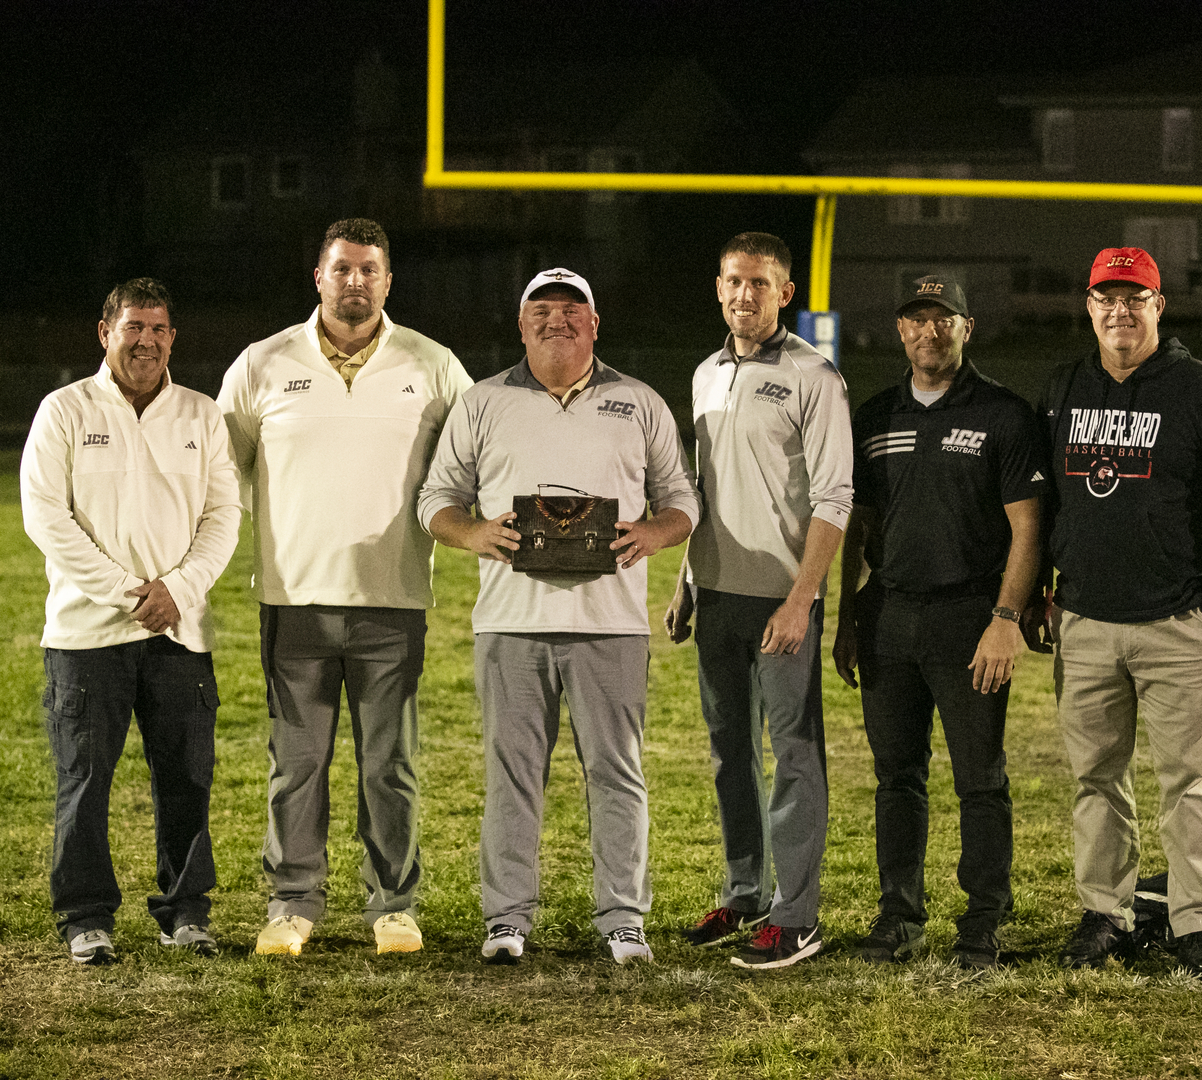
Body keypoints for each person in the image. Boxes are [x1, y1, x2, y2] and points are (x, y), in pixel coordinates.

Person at [418, 268, 699, 966]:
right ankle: (506, 918)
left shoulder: (638, 402)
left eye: (572, 311)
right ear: (521, 325)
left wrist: (656, 534)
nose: (557, 321)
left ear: (595, 324)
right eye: (540, 311)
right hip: (511, 621)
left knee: (617, 772)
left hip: (611, 623)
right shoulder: (482, 403)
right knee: (513, 774)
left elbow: (683, 499)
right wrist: (474, 532)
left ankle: (624, 919)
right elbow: (435, 500)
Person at [217, 218, 473, 957]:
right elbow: (221, 467)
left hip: (393, 599)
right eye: (341, 269)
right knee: (296, 767)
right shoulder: (263, 364)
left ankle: (392, 904)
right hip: (293, 600)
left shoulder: (431, 363)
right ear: (318, 277)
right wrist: (256, 531)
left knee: (388, 766)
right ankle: (292, 903)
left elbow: (474, 454)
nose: (354, 282)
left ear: (388, 281)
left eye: (369, 270)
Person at [1029, 247, 1202, 982]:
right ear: (1089, 305)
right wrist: (1042, 588)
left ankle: (1197, 922)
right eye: (1107, 297)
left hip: (1178, 624)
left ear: (1160, 306)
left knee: (1189, 781)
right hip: (1087, 621)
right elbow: (1040, 503)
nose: (1120, 311)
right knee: (1096, 777)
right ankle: (1107, 912)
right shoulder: (1065, 387)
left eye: (1136, 298)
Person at [21, 277, 241, 964]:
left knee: (187, 779)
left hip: (179, 632)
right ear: (104, 333)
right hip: (88, 635)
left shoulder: (201, 416)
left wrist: (178, 589)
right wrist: (129, 593)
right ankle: (86, 917)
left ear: (173, 337)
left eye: (158, 329)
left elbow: (223, 514)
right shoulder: (64, 411)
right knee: (85, 781)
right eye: (132, 328)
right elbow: (47, 518)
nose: (145, 340)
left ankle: (186, 911)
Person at [832, 274, 1048, 970]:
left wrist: (1006, 618)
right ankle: (899, 915)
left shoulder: (1004, 414)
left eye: (943, 319)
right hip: (889, 614)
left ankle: (982, 920)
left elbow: (1028, 529)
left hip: (968, 617)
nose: (929, 332)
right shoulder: (872, 417)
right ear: (900, 329)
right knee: (897, 775)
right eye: (916, 319)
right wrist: (845, 620)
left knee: (979, 778)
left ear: (967, 327)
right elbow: (856, 527)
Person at [662, 233, 852, 969]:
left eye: (761, 285)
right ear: (718, 287)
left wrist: (803, 598)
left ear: (785, 294)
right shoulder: (707, 373)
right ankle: (745, 893)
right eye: (735, 282)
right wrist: (686, 580)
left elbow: (836, 497)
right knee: (727, 754)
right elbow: (703, 490)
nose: (746, 295)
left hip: (782, 598)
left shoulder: (814, 376)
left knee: (794, 755)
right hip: (717, 594)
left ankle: (797, 917)